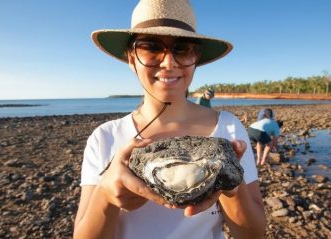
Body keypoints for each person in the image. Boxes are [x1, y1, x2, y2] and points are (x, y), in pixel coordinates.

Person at [74, 1, 266, 238]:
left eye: (183, 48)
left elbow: (253, 234)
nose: (168, 62)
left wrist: (232, 186)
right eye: (151, 47)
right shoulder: (105, 138)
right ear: (132, 58)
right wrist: (106, 194)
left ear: (195, 58)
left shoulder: (228, 129)